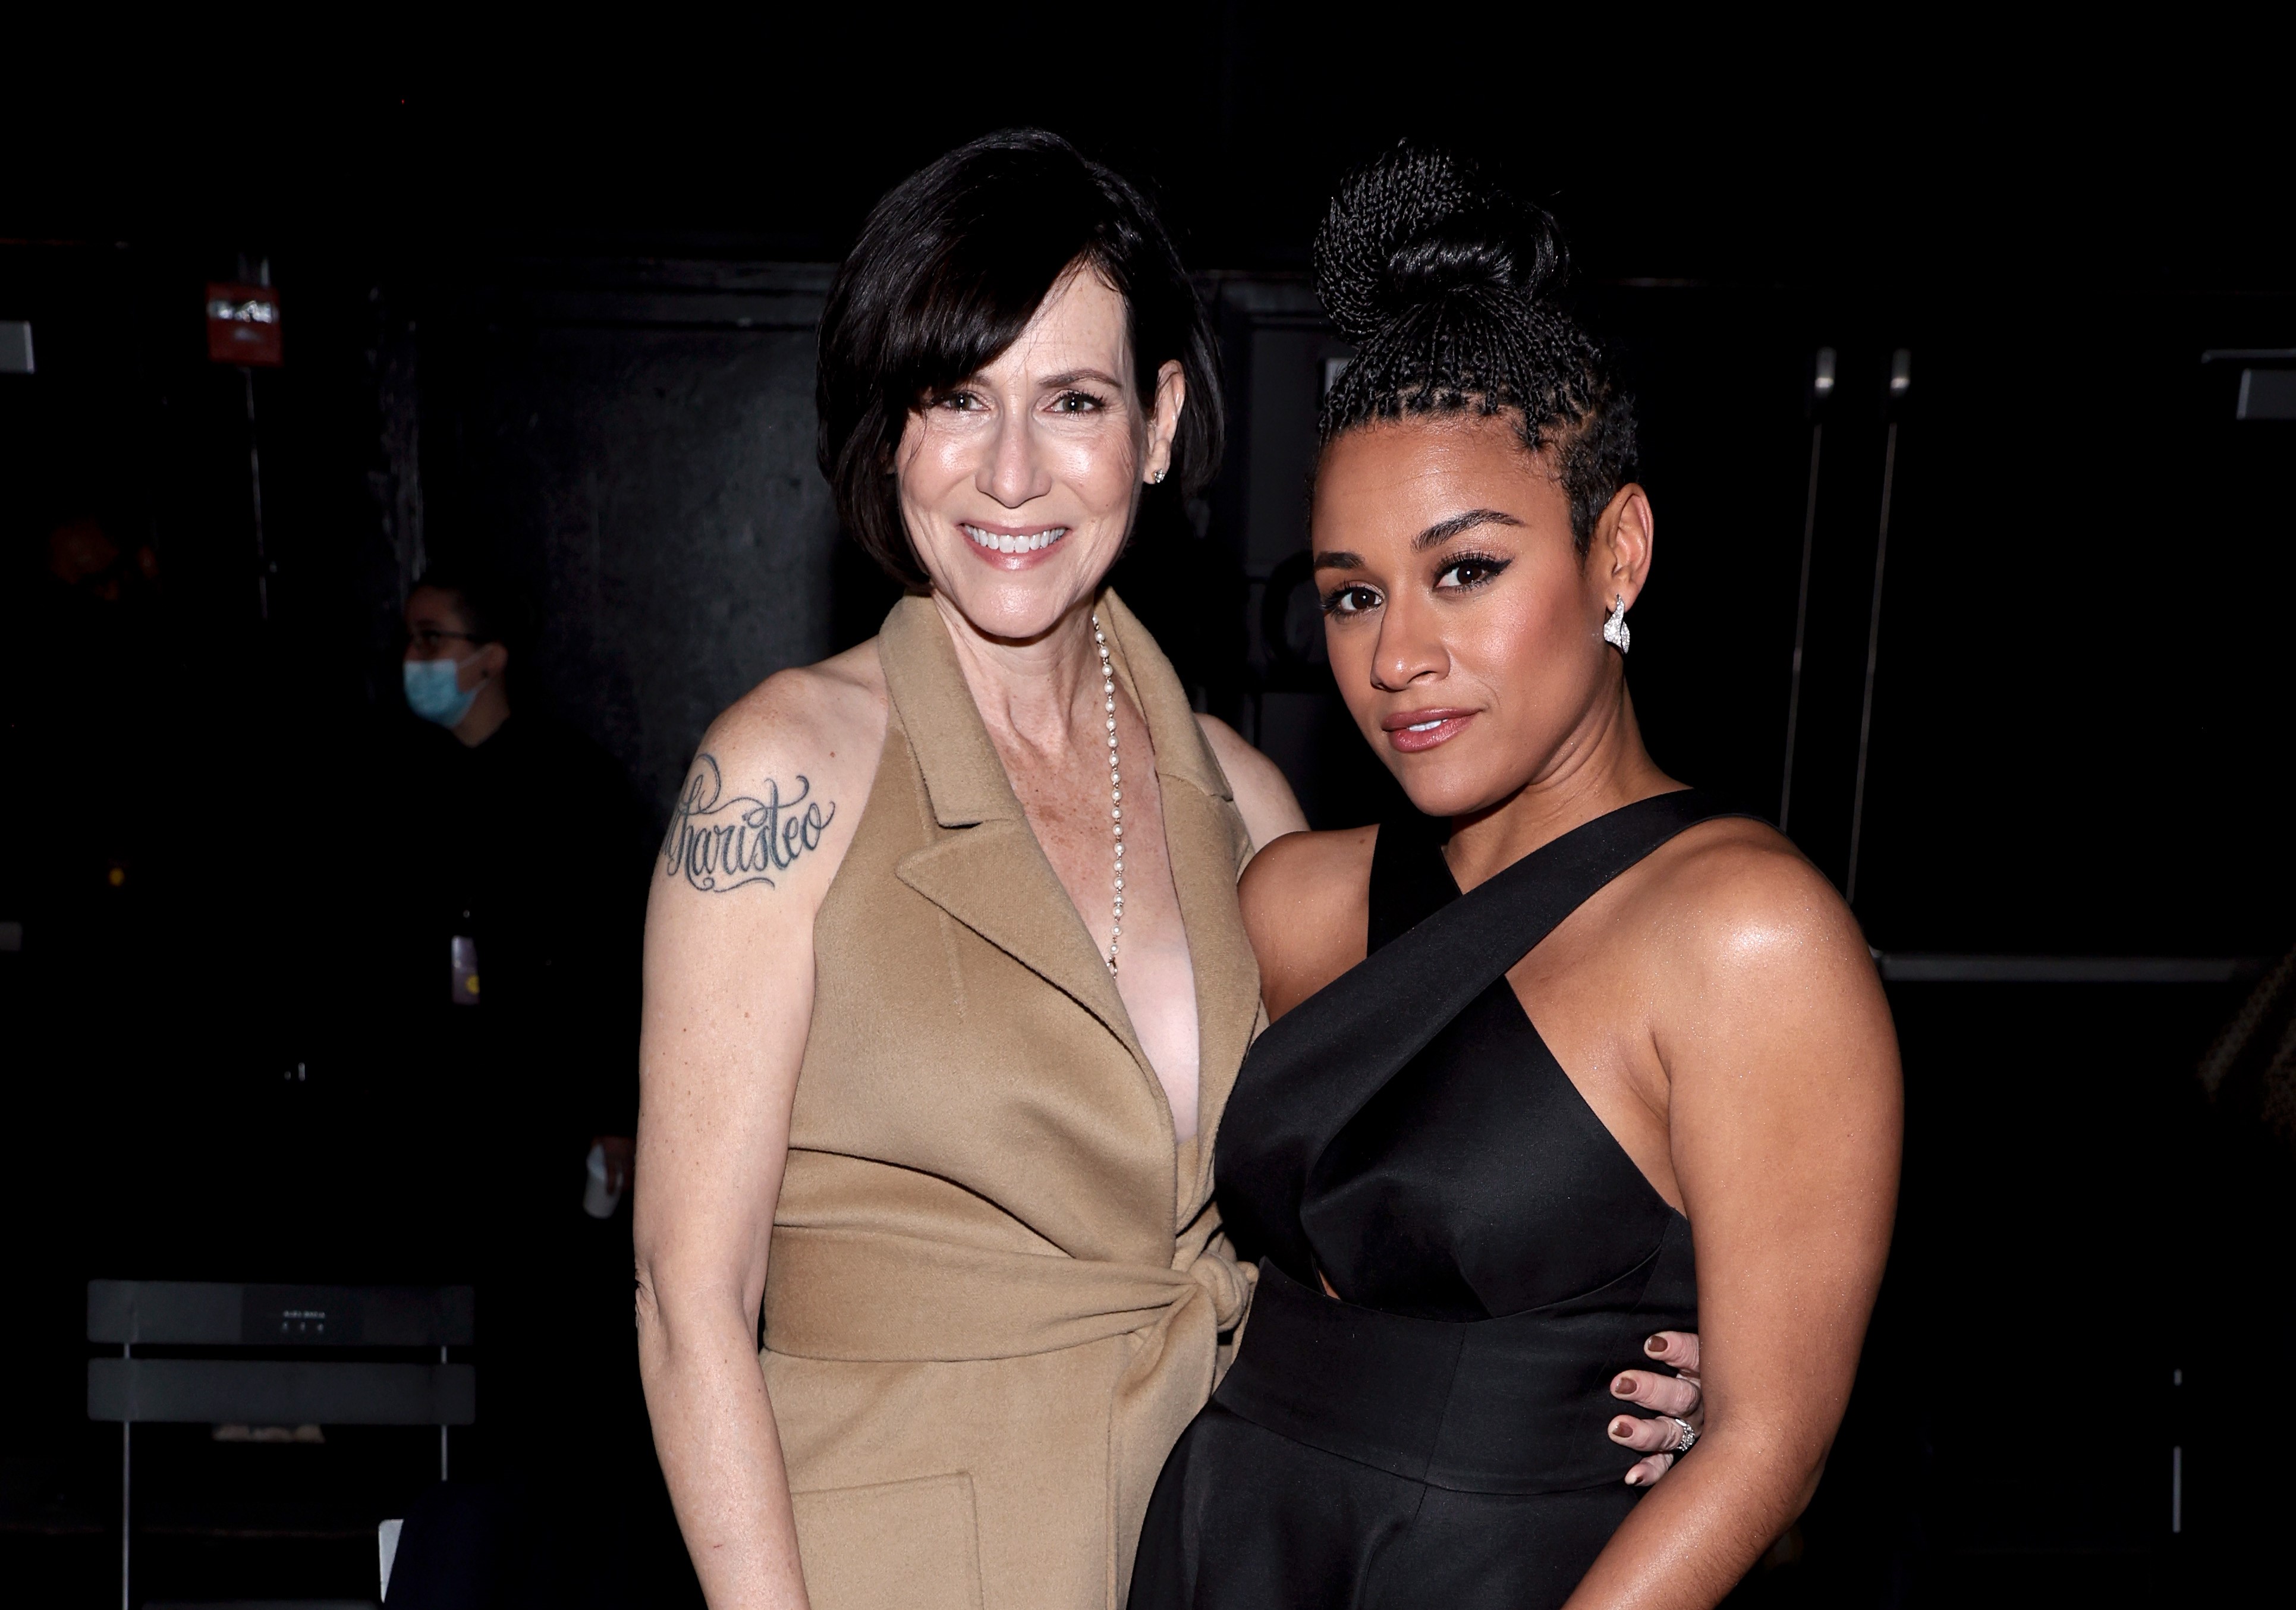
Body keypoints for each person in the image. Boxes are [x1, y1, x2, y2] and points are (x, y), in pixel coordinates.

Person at [635, 131, 1707, 1610]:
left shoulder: (1243, 802)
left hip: (1215, 1537)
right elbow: (687, 1300)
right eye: (958, 398)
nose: (1011, 473)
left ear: (1156, 422)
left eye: (1071, 400)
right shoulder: (781, 777)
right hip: (889, 1554)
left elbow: (1450, 1172)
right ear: (892, 431)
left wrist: (1641, 1360)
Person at [1129, 146, 1903, 1610]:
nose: (1396, 654)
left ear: (1615, 550)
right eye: (1351, 591)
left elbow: (1769, 1445)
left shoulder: (1744, 933)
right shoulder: (1291, 899)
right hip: (1227, 1545)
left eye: (1465, 569)